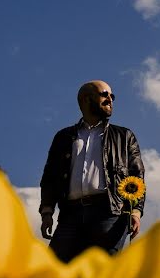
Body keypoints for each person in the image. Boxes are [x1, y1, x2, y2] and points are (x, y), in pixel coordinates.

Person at [39, 80, 145, 262]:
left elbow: (136, 175)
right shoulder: (64, 137)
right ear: (86, 99)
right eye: (105, 94)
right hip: (69, 216)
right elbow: (50, 176)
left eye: (112, 96)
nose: (110, 99)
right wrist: (47, 211)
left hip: (110, 214)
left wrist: (136, 210)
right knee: (54, 272)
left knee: (102, 275)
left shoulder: (124, 136)